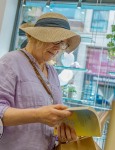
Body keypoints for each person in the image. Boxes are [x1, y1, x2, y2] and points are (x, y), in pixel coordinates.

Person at [0, 12, 81, 150]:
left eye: (62, 44)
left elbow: (53, 123)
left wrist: (62, 135)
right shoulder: (11, 62)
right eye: (54, 41)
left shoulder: (53, 73)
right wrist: (38, 115)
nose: (57, 49)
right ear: (34, 37)